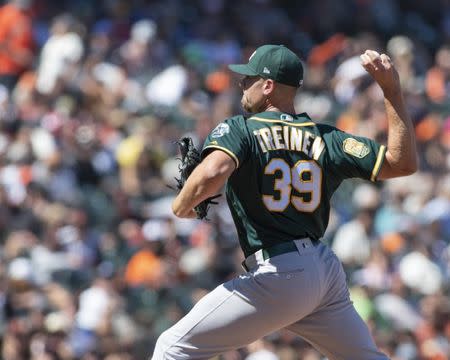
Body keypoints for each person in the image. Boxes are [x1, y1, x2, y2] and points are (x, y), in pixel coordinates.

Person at [152, 44, 417, 359]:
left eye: (248, 78)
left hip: (280, 272)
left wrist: (181, 204)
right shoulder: (327, 138)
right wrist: (392, 91)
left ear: (268, 86)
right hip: (324, 272)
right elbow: (403, 164)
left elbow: (214, 171)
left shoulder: (242, 129)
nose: (241, 84)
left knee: (172, 348)